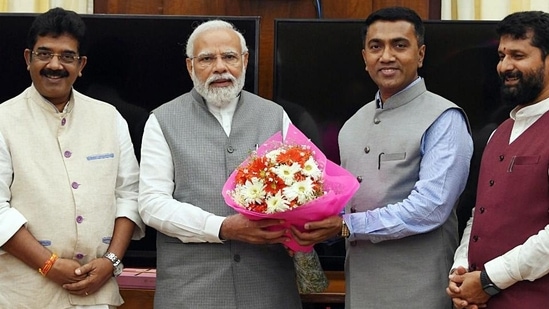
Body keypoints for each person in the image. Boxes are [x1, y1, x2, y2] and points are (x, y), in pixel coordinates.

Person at [291, 7, 473, 308]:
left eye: (399, 45)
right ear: (364, 58)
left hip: (420, 292)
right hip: (360, 290)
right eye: (376, 47)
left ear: (421, 54)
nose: (386, 56)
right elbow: (344, 207)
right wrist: (305, 226)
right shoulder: (352, 125)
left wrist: (345, 226)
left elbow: (431, 208)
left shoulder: (444, 119)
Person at [138, 19, 302, 308]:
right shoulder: (162, 120)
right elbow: (152, 204)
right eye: (206, 59)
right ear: (190, 66)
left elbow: (302, 188)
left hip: (267, 288)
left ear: (245, 61)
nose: (219, 68)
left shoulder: (275, 116)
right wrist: (221, 227)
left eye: (229, 57)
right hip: (191, 291)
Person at [0, 8, 145, 308]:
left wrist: (112, 261)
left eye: (67, 56)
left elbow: (129, 195)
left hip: (96, 293)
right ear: (28, 59)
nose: (55, 65)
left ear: (81, 65)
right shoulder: (3, 120)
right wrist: (49, 264)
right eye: (44, 54)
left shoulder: (109, 118)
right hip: (23, 295)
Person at [447, 11, 549, 309]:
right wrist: (461, 270)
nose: (505, 66)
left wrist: (490, 280)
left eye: (518, 55)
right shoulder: (497, 133)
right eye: (502, 55)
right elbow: (481, 212)